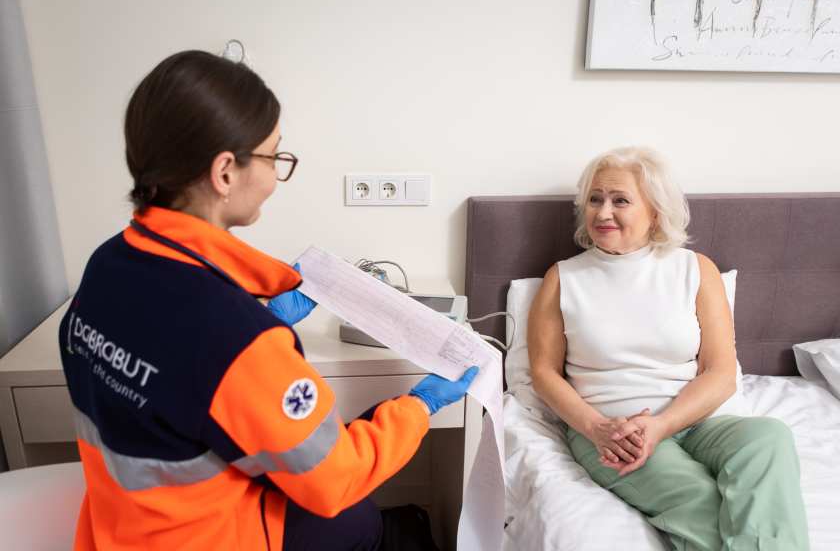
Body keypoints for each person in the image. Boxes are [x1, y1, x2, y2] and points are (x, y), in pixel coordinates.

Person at [58, 50, 477, 551]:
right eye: (274, 157)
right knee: (358, 520)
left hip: (121, 527)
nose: (276, 175)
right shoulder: (235, 337)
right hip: (204, 539)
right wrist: (418, 407)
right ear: (225, 172)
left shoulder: (108, 264)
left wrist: (256, 316)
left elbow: (170, 363)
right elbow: (334, 479)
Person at [527, 146, 809, 550]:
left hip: (699, 422)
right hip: (612, 431)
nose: (603, 212)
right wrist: (597, 429)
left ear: (655, 212)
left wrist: (662, 425)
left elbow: (720, 372)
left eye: (620, 200)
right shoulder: (563, 279)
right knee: (703, 503)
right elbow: (544, 373)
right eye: (595, 199)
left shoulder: (696, 269)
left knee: (768, 438)